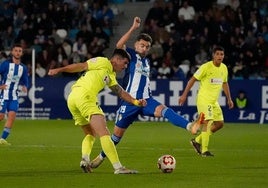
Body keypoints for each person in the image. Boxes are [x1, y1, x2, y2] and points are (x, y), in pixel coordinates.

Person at [90, 16, 204, 168]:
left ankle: (191, 126)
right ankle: (100, 157)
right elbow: (119, 45)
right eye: (142, 45)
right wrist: (133, 28)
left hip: (147, 100)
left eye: (147, 46)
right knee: (116, 137)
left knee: (165, 111)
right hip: (130, 102)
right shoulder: (130, 56)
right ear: (136, 45)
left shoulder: (147, 62)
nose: (144, 48)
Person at [48, 48, 147, 174]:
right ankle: (118, 167)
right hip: (85, 96)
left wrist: (136, 102)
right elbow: (82, 66)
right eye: (125, 62)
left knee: (90, 133)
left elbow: (120, 92)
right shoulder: (103, 62)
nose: (125, 66)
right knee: (104, 132)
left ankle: (85, 159)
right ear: (116, 59)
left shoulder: (111, 75)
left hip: (73, 98)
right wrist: (60, 70)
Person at [179, 46, 234, 157]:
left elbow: (225, 83)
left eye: (221, 54)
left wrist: (229, 98)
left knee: (219, 124)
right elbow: (192, 80)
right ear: (213, 55)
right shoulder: (206, 67)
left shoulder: (224, 68)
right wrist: (184, 95)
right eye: (217, 54)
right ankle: (204, 150)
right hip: (204, 99)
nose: (219, 56)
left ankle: (197, 141)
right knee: (207, 122)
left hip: (214, 101)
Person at [0, 44, 29, 145]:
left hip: (14, 96)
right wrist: (0, 85)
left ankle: (2, 139)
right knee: (1, 116)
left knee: (11, 117)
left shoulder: (23, 68)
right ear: (12, 52)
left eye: (20, 51)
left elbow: (25, 79)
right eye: (16, 50)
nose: (17, 52)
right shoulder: (6, 65)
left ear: (22, 53)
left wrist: (25, 86)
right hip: (3, 95)